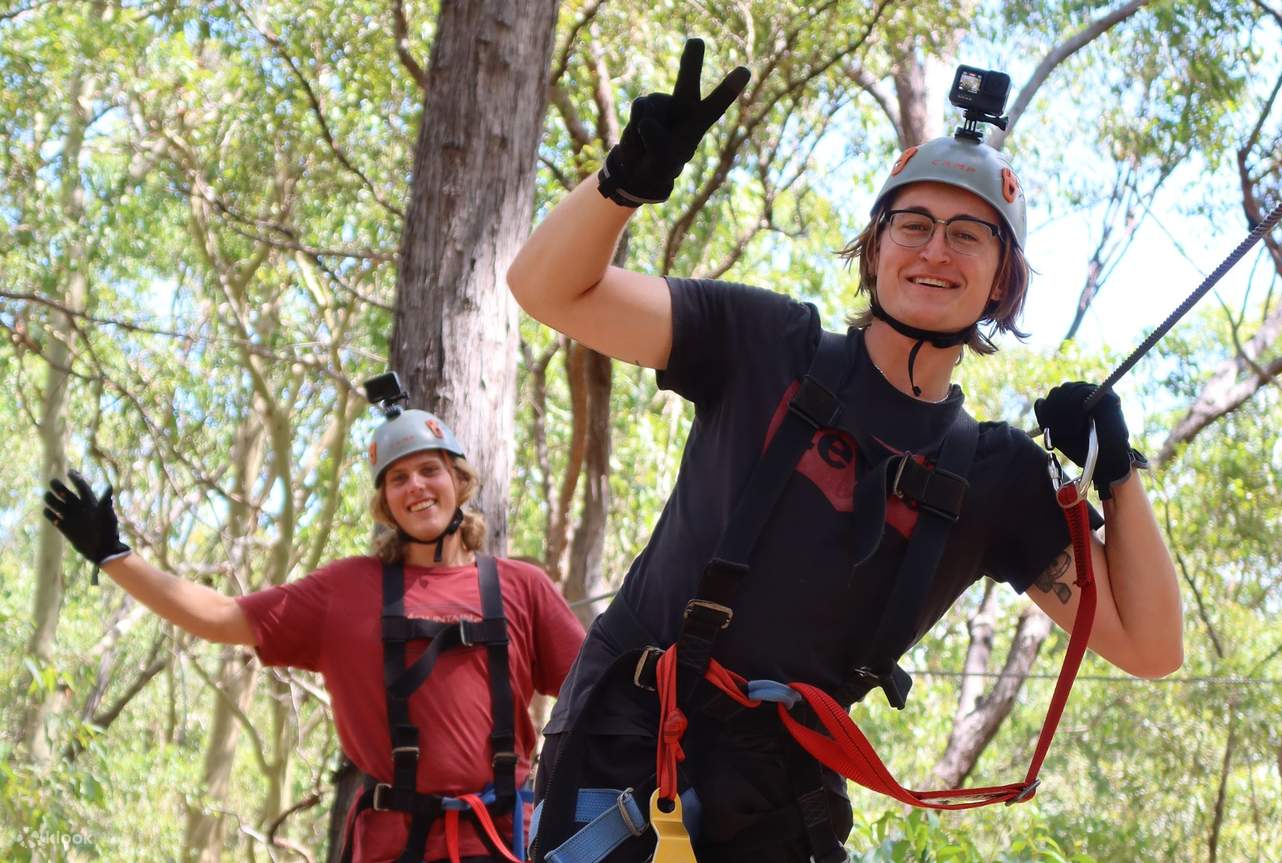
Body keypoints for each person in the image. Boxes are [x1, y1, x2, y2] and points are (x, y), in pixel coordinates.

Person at [507, 39, 1183, 863]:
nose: (934, 251)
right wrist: (623, 183)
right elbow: (546, 288)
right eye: (913, 225)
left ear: (1003, 277)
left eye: (968, 235)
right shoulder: (763, 345)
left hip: (779, 799)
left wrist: (1117, 474)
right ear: (874, 247)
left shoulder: (994, 479)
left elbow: (1150, 647)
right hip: (626, 752)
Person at [41, 388, 587, 863]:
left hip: (502, 842)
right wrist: (113, 556)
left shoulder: (521, 588)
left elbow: (598, 695)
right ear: (385, 502)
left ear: (458, 480)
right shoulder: (344, 591)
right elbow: (220, 616)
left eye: (430, 470)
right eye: (398, 478)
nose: (416, 486)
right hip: (392, 848)